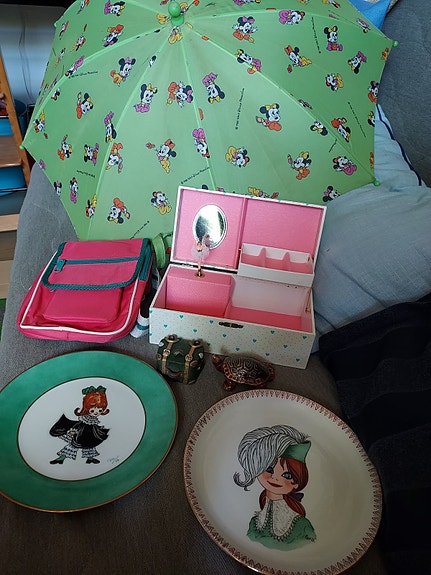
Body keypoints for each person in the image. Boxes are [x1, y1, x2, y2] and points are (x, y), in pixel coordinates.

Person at [233, 424, 316, 550]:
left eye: (287, 475)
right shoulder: (254, 523)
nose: (275, 478)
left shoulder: (302, 526)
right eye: (269, 469)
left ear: (297, 482)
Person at [49, 385, 110, 465]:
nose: (96, 412)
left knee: (89, 446)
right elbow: (79, 425)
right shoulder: (85, 418)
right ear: (86, 408)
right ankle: (61, 458)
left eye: (100, 410)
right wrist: (73, 431)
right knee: (73, 446)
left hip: (89, 435)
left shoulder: (93, 420)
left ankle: (90, 459)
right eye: (92, 410)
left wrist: (99, 429)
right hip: (81, 434)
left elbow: (93, 427)